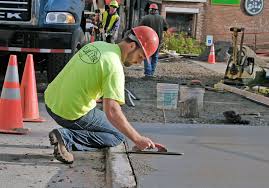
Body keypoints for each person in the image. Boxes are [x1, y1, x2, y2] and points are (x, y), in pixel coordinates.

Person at [44, 26, 159, 164]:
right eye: (140, 56)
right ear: (132, 45)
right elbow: (112, 111)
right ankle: (66, 137)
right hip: (68, 113)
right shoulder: (114, 66)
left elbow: (83, 75)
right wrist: (137, 139)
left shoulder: (98, 45)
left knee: (106, 119)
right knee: (117, 135)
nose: (139, 62)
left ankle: (67, 135)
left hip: (50, 101)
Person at [139, 3, 168, 78]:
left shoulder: (145, 18)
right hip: (157, 41)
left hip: (147, 41)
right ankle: (151, 73)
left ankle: (148, 73)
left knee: (148, 56)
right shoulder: (161, 18)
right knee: (155, 57)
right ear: (156, 10)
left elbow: (140, 28)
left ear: (150, 9)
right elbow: (166, 28)